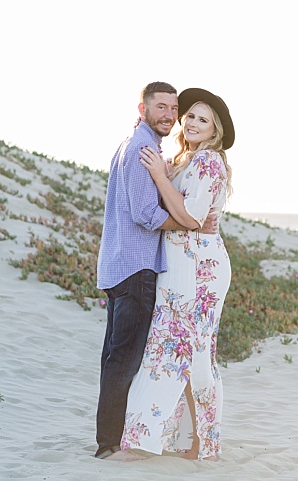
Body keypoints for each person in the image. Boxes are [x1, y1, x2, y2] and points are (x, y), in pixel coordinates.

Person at [107, 87, 234, 462]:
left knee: (175, 348)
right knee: (190, 352)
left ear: (215, 130)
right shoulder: (186, 160)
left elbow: (192, 217)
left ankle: (146, 443)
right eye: (190, 116)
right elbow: (182, 213)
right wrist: (167, 176)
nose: (192, 123)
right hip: (181, 262)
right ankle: (201, 445)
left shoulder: (209, 161)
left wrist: (160, 177)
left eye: (202, 119)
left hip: (200, 268)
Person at [94, 81, 184, 459]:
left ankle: (108, 439)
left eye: (173, 108)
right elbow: (146, 214)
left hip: (119, 266)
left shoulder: (133, 145)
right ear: (142, 107)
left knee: (115, 357)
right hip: (135, 269)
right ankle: (109, 445)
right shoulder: (142, 147)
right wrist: (186, 221)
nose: (169, 115)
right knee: (124, 359)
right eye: (161, 107)